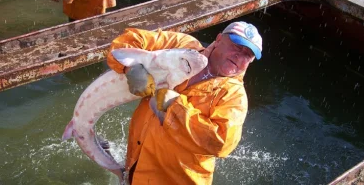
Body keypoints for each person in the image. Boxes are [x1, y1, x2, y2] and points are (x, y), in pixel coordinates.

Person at [106, 21, 263, 184]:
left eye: (248, 55)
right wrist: (131, 68)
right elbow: (131, 39)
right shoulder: (183, 46)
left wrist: (174, 105)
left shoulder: (234, 96)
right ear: (218, 39)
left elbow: (222, 143)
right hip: (136, 161)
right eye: (237, 46)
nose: (240, 56)